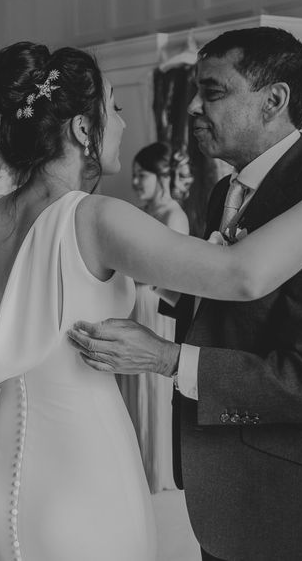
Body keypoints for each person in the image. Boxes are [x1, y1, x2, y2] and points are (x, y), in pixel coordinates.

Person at [0, 41, 302, 561]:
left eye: (210, 92)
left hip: (10, 458)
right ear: (83, 129)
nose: (122, 123)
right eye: (115, 109)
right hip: (84, 460)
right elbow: (241, 275)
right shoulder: (97, 218)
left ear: (274, 99)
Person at [119, 141, 188, 492]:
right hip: (135, 303)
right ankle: (135, 462)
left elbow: (171, 275)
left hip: (155, 307)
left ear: (162, 177)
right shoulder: (143, 211)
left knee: (152, 386)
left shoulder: (173, 216)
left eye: (140, 174)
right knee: (133, 383)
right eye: (133, 174)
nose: (134, 181)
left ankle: (155, 467)